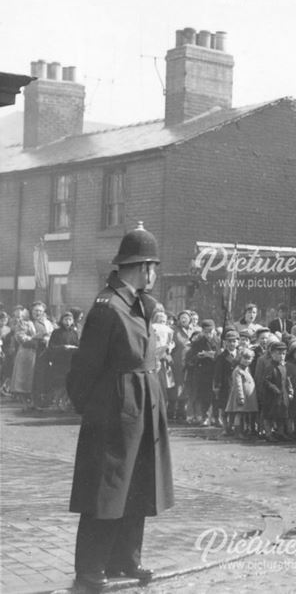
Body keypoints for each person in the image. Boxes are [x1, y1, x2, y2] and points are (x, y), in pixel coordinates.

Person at [65, 223, 173, 590]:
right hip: (115, 412)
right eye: (153, 267)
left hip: (141, 409)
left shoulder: (138, 304)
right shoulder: (108, 308)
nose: (154, 274)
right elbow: (82, 373)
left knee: (138, 486)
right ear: (143, 267)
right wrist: (98, 413)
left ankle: (125, 559)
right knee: (105, 489)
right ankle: (91, 568)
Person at [226, 348, 258, 439]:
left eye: (249, 358)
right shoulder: (238, 371)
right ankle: (237, 432)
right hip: (241, 396)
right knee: (239, 414)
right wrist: (240, 397)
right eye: (245, 358)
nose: (247, 361)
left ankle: (245, 430)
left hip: (249, 396)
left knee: (245, 414)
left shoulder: (247, 369)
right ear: (240, 358)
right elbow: (238, 385)